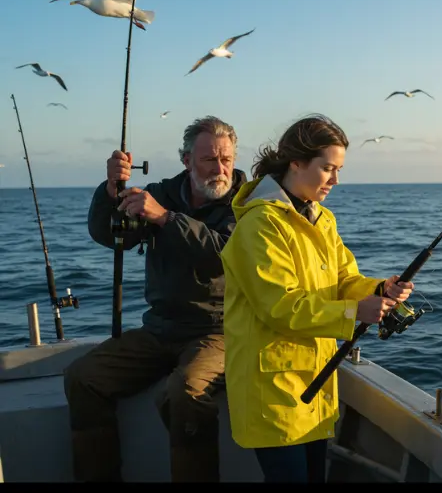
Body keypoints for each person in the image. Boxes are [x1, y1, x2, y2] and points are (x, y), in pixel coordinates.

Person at [220, 114, 415, 483]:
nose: (336, 181)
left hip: (315, 387)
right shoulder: (260, 226)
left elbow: (343, 279)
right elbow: (280, 306)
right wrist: (357, 311)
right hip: (273, 394)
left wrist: (379, 290)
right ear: (296, 162)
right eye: (328, 168)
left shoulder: (321, 219)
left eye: (339, 169)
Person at [63, 115, 247, 482]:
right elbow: (112, 236)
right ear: (186, 160)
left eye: (226, 158)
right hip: (160, 328)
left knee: (185, 391)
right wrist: (111, 192)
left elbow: (224, 254)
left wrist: (165, 219)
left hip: (220, 331)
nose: (220, 168)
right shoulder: (159, 193)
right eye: (210, 159)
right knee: (83, 377)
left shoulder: (249, 204)